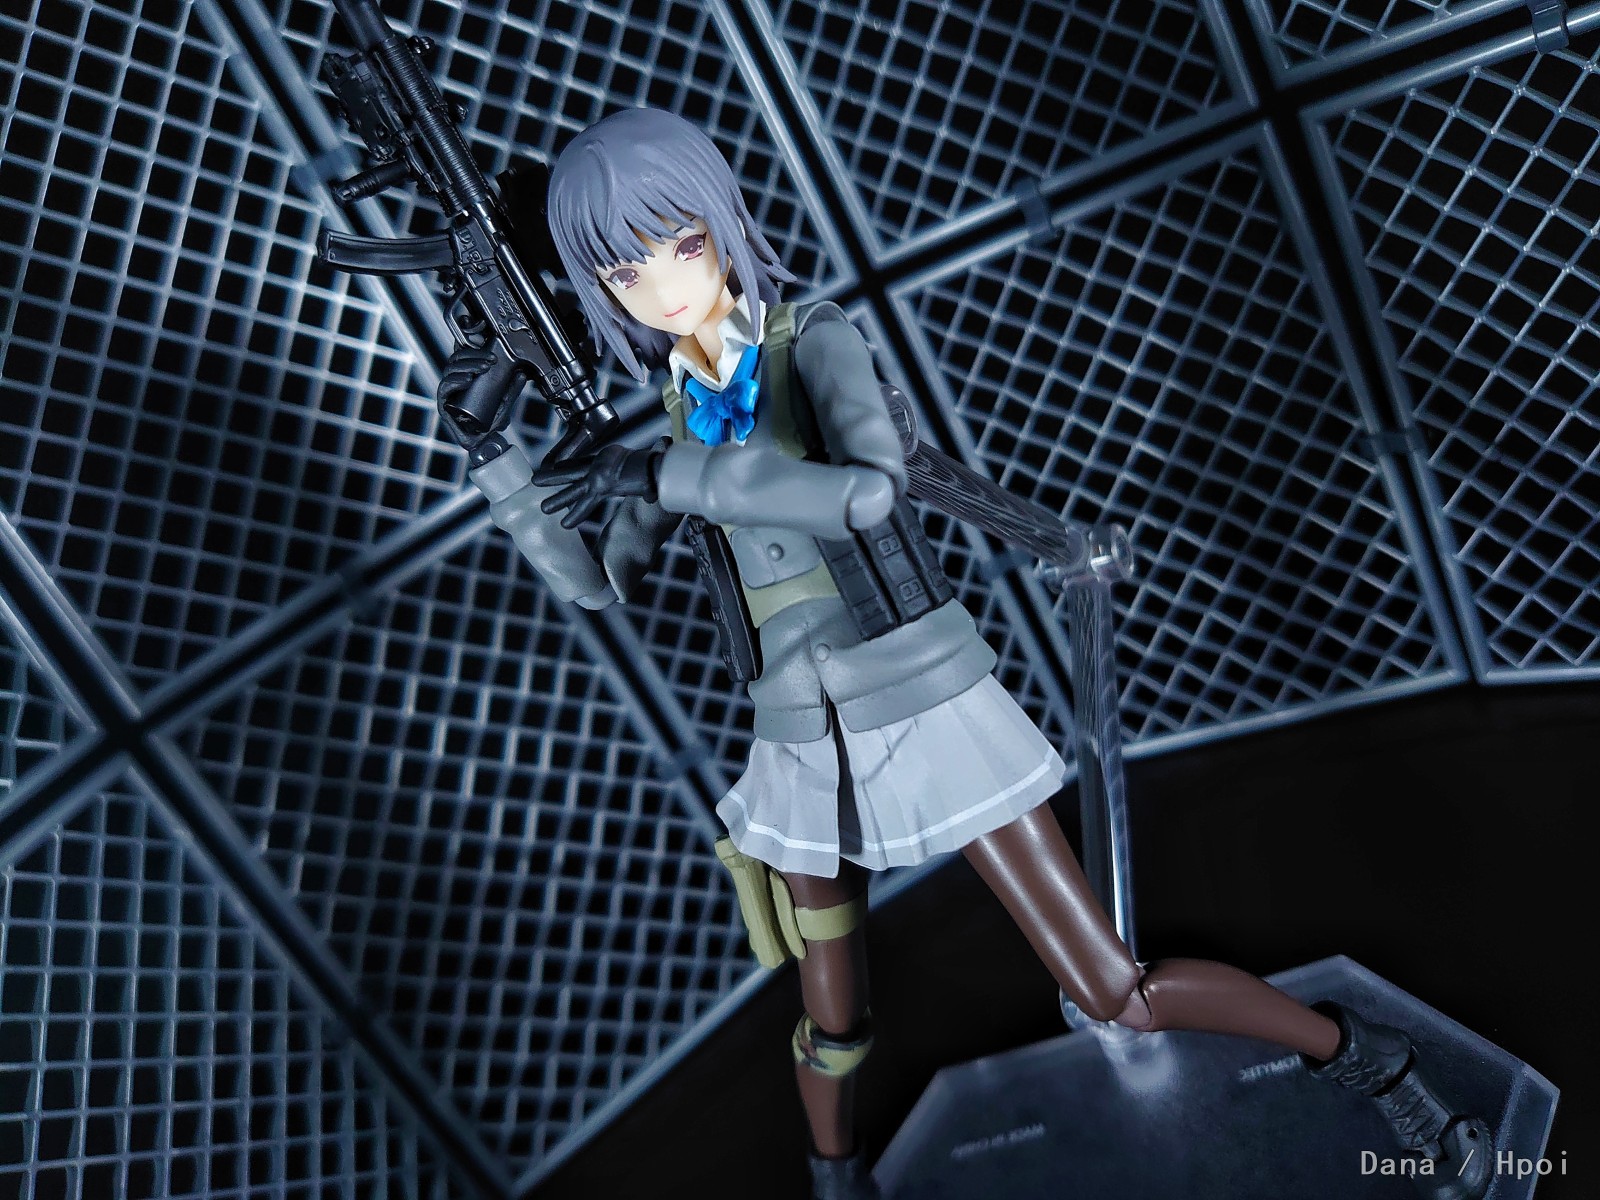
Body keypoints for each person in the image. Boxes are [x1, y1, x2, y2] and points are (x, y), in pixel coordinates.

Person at [443, 106, 1489, 1200]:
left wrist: (670, 476)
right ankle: (837, 1178)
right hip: (798, 741)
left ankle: (1372, 1060)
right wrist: (491, 453)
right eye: (624, 272)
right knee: (832, 1018)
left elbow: (871, 489)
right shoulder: (675, 415)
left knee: (1112, 990)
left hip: (925, 701)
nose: (662, 288)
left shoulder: (812, 344)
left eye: (682, 245)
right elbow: (596, 580)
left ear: (721, 224)